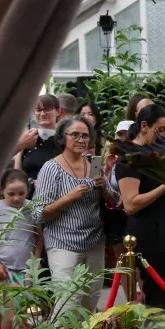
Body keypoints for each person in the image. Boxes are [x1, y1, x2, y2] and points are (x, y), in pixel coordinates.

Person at [33, 116, 111, 313]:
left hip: (94, 242)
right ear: (63, 137)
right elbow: (37, 213)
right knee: (66, 306)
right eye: (75, 135)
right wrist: (70, 197)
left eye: (85, 136)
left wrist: (105, 189)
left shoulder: (93, 164)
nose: (81, 140)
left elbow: (116, 201)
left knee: (90, 305)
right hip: (63, 244)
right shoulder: (51, 169)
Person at [116, 105, 165, 313]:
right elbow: (131, 204)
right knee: (157, 294)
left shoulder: (155, 154)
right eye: (159, 130)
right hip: (146, 231)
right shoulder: (128, 159)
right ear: (144, 126)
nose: (162, 136)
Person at [0, 169, 42, 329]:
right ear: (2, 191)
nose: (16, 198)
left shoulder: (32, 208)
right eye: (11, 194)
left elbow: (38, 236)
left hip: (23, 270)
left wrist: (36, 259)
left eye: (21, 193)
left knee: (12, 318)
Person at [15, 94, 62, 198]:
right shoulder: (26, 140)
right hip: (29, 201)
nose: (43, 113)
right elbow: (17, 174)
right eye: (38, 110)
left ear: (58, 111)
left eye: (48, 109)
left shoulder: (64, 140)